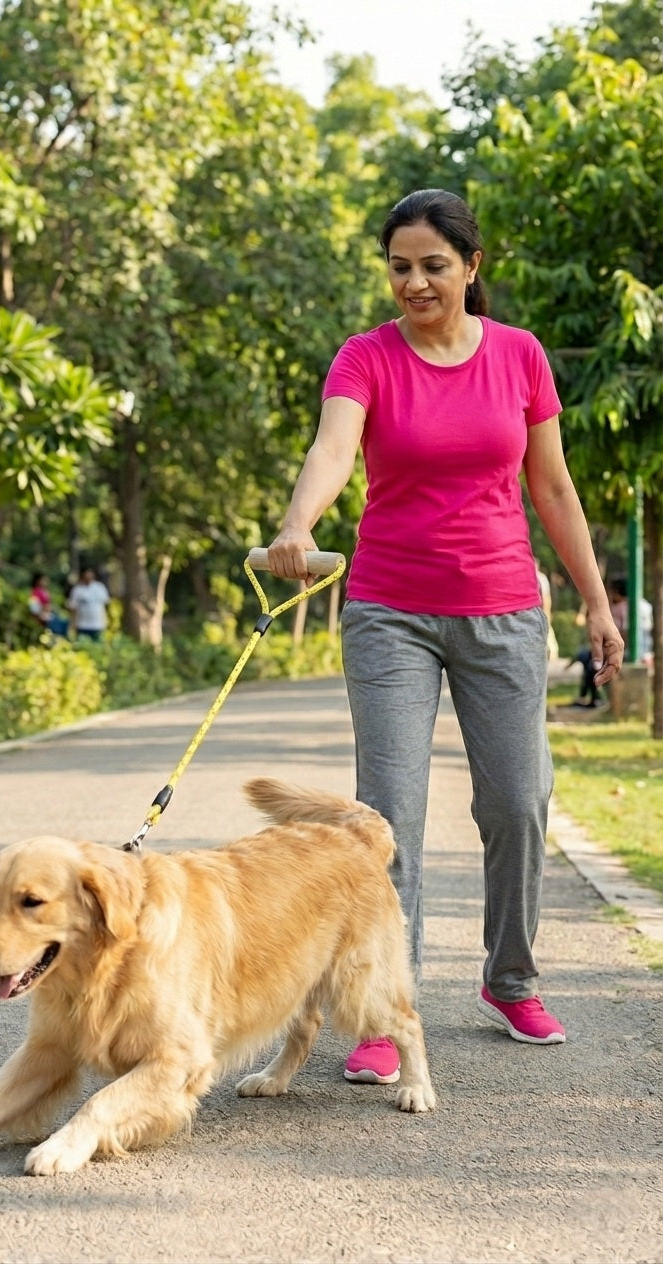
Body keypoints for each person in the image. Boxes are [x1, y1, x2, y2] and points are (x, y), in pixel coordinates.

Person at [266, 188, 624, 1082]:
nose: (415, 282)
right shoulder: (366, 357)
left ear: (471, 267)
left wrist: (597, 601)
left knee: (518, 803)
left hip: (504, 609)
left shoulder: (520, 356)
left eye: (433, 265)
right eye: (399, 266)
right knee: (387, 817)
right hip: (390, 610)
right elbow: (332, 450)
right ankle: (385, 1007)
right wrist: (299, 523)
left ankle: (511, 977)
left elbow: (554, 490)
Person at [67, 565, 110, 642]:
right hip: (82, 625)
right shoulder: (77, 590)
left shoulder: (100, 588)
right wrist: (72, 625)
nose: (88, 577)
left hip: (98, 625)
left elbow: (106, 604)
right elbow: (73, 608)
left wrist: (106, 622)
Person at [28, 573, 69, 638]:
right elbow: (34, 608)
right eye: (43, 580)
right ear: (38, 581)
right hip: (42, 616)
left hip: (49, 614)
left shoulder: (45, 591)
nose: (46, 582)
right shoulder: (35, 592)